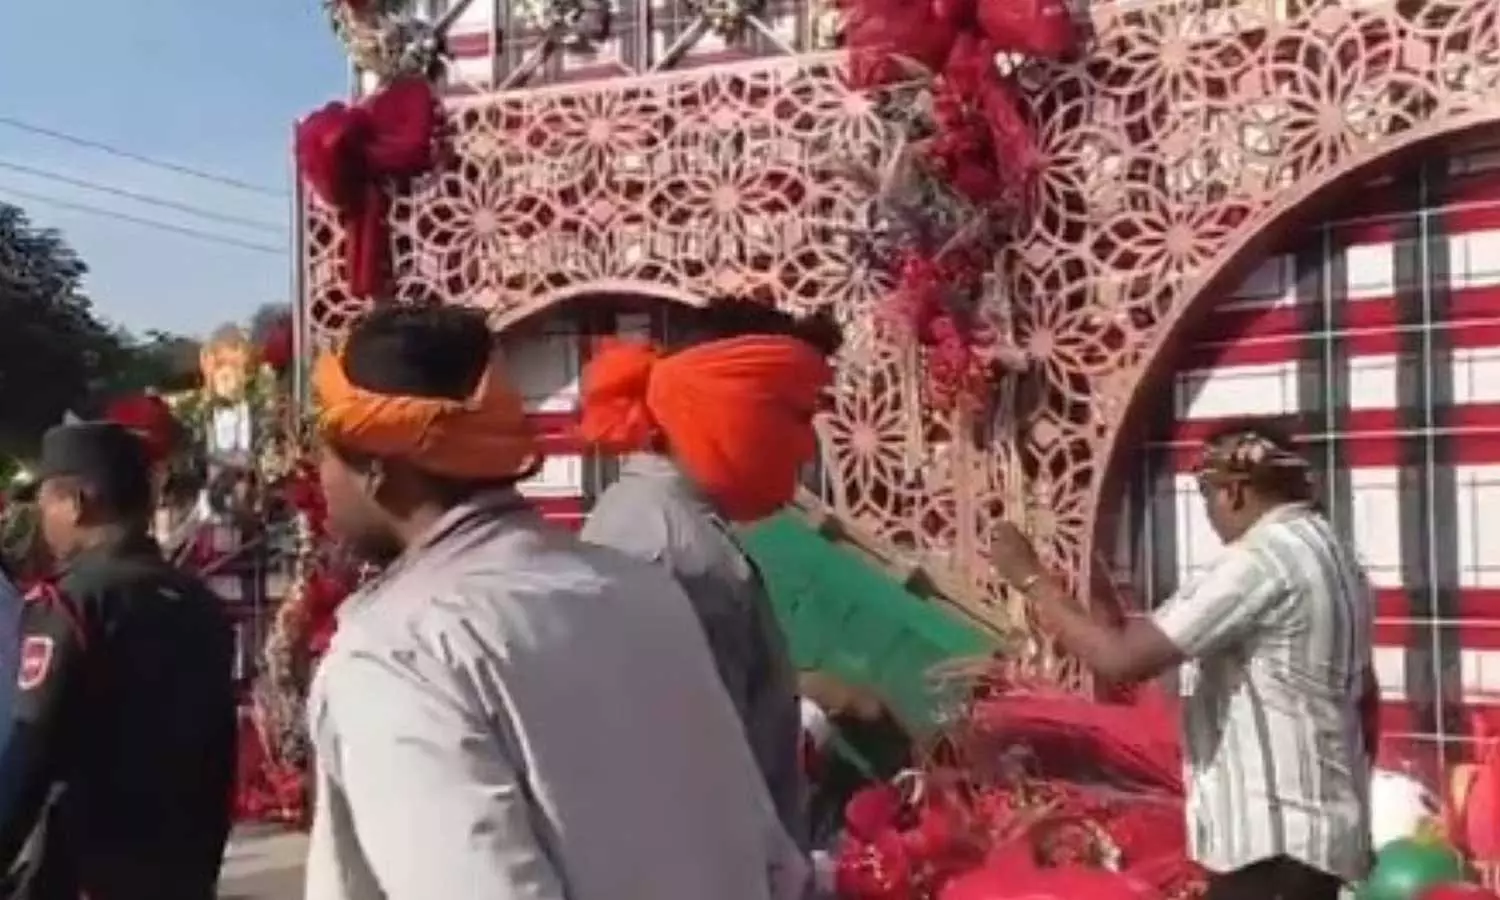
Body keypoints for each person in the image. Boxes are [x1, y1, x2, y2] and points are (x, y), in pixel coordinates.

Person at [304, 304, 806, 900]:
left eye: (325, 452)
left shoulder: (400, 654)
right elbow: (766, 857)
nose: (319, 476)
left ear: (377, 470)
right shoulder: (645, 590)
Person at [989, 420, 1375, 900]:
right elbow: (1366, 698)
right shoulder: (1337, 558)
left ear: (1233, 492)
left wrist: (1031, 579)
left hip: (1270, 841)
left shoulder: (1261, 562)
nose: (1210, 514)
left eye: (1206, 495)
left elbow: (1121, 660)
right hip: (1319, 833)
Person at [577, 298, 839, 846]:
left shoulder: (667, 526)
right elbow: (689, 787)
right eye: (795, 417)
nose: (806, 447)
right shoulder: (671, 554)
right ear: (733, 409)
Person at [0, 422, 237, 900]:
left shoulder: (72, 603)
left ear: (78, 503)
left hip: (88, 874)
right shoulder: (199, 602)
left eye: (47, 501)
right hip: (183, 872)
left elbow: (33, 752)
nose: (42, 518)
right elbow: (221, 756)